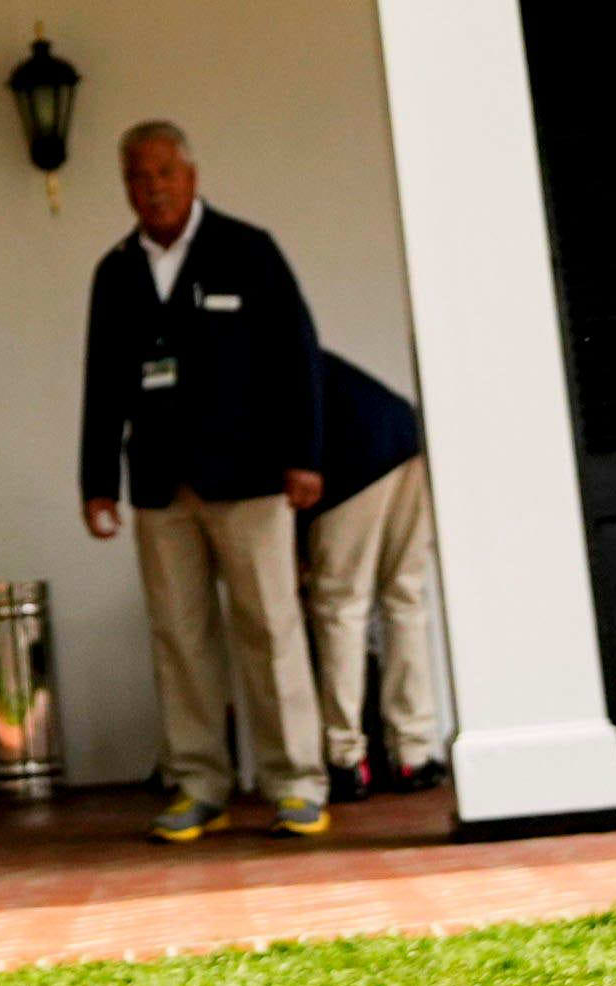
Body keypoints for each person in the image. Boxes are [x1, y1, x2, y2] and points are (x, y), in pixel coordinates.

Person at [71, 120, 334, 844]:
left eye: (162, 173)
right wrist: (97, 481)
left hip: (249, 478)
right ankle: (199, 785)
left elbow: (298, 357)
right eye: (135, 176)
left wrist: (305, 455)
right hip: (160, 487)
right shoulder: (115, 271)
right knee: (180, 639)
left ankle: (296, 785)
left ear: (190, 175)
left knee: (269, 629)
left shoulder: (247, 250)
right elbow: (103, 382)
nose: (150, 187)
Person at [303, 341, 450, 806]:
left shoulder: (239, 363)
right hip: (406, 437)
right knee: (404, 598)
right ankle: (415, 753)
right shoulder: (291, 344)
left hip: (351, 458)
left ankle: (346, 761)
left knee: (339, 608)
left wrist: (298, 542)